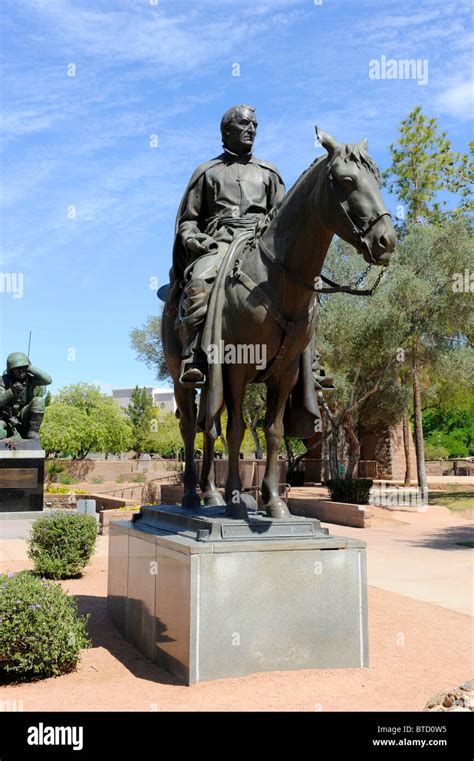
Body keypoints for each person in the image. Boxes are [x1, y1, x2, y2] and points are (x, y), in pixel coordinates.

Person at [170, 104, 285, 386]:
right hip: (219, 243)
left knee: (305, 287)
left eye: (255, 125)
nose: (252, 130)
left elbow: (284, 217)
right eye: (245, 124)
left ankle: (311, 362)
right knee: (198, 281)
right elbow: (188, 221)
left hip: (260, 244)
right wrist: (198, 241)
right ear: (227, 129)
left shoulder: (268, 172)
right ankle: (194, 354)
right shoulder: (207, 172)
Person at [0, 352, 52, 441]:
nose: (21, 371)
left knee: (39, 400)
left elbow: (48, 380)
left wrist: (30, 367)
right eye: (17, 368)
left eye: (24, 367)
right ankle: (10, 433)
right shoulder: (3, 380)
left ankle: (32, 432)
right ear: (11, 370)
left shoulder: (30, 379)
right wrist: (11, 391)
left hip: (23, 415)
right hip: (6, 418)